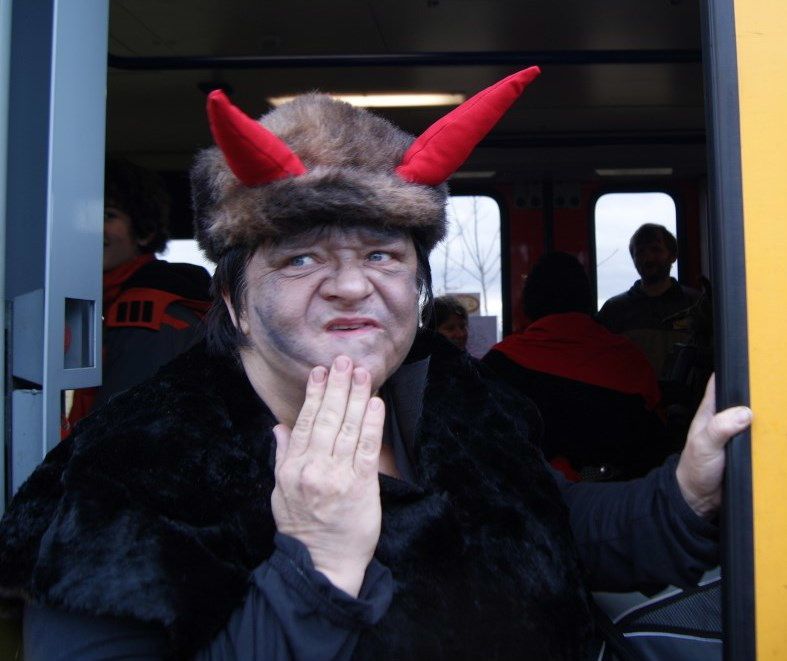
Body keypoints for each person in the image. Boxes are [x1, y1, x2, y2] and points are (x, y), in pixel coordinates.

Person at [0, 68, 751, 660]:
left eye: (383, 254)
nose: (353, 285)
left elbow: (555, 527)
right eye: (300, 257)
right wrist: (315, 565)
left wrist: (683, 492)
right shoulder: (130, 474)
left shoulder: (451, 392)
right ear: (232, 301)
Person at [483, 252, 674, 480]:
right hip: (620, 493)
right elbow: (657, 438)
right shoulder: (629, 359)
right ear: (585, 298)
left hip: (531, 494)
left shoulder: (499, 363)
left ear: (529, 301)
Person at [65, 159, 212, 431]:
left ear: (144, 232)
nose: (91, 228)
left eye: (108, 215)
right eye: (83, 215)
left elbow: (118, 435)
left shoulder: (149, 315)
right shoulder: (108, 303)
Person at [596, 223, 701, 378]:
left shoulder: (697, 304)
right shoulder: (614, 309)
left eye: (656, 249)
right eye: (640, 252)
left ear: (673, 256)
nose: (648, 258)